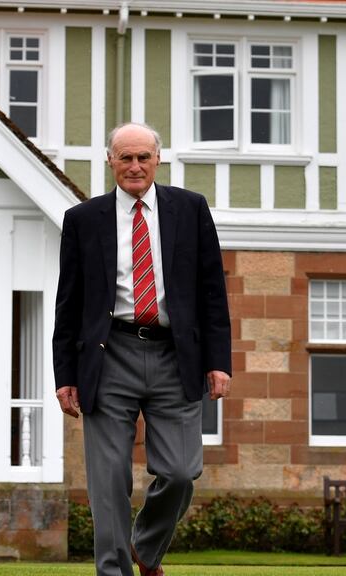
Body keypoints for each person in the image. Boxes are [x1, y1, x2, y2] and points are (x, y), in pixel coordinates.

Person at [52, 122, 232, 576]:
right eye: (125, 157)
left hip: (176, 356)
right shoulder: (83, 219)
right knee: (108, 480)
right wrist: (65, 375)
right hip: (108, 355)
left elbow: (212, 291)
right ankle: (113, 571)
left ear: (158, 160)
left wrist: (218, 362)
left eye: (143, 157)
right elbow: (68, 302)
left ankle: (146, 547)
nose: (135, 166)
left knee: (180, 472)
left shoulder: (190, 209)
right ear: (110, 161)